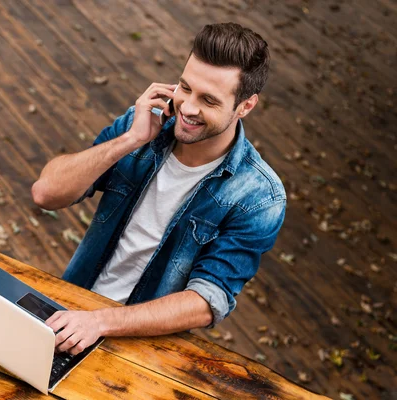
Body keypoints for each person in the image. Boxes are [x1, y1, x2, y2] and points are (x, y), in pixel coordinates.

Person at [31, 23, 286, 356]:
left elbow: (207, 300)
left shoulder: (259, 197)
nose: (188, 108)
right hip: (70, 313)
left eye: (208, 100)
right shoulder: (141, 126)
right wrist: (130, 139)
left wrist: (101, 322)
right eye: (185, 87)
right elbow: (45, 194)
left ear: (245, 106)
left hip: (142, 350)